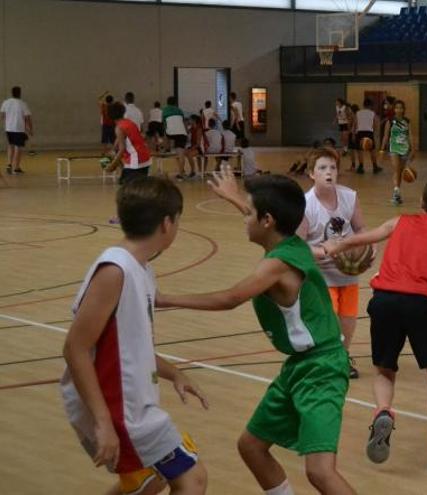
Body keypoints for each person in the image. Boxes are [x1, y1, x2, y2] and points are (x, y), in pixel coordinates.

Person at [159, 170, 356, 495]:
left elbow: (230, 298)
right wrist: (235, 197)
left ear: (266, 220)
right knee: (251, 446)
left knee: (320, 472)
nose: (243, 217)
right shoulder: (293, 242)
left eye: (248, 213)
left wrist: (162, 298)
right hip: (300, 367)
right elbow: (267, 220)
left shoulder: (275, 266)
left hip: (322, 370)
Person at [323, 176, 427, 472]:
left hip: (384, 300)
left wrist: (337, 245)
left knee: (385, 370)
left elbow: (366, 237)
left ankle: (383, 411)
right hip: (421, 306)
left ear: (422, 201)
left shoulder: (400, 222)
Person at [61, 177, 208, 495]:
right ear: (167, 224)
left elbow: (130, 346)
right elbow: (75, 348)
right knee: (192, 477)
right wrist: (103, 422)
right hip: (119, 409)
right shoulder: (115, 270)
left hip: (131, 402)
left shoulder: (141, 269)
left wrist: (174, 373)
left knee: (148, 481)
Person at [296, 148, 367, 379]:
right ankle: (324, 360)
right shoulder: (306, 205)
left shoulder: (350, 197)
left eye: (333, 168)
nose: (329, 172)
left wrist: (367, 249)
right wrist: (324, 250)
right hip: (320, 273)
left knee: (348, 318)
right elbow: (297, 244)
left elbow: (361, 229)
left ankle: (342, 357)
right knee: (330, 320)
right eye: (322, 168)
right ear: (311, 174)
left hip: (347, 270)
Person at [104, 102, 152, 185]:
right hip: (144, 157)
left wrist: (112, 165)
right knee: (133, 186)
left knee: (130, 189)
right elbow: (120, 139)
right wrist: (114, 149)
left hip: (136, 160)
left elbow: (122, 149)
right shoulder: (128, 122)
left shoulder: (119, 128)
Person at [379, 100, 414, 206]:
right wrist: (381, 149)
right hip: (393, 148)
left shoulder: (407, 121)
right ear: (394, 109)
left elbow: (410, 135)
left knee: (400, 171)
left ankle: (397, 192)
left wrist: (413, 149)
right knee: (396, 169)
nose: (399, 109)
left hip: (405, 148)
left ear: (403, 109)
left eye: (401, 107)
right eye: (397, 107)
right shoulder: (390, 121)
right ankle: (395, 192)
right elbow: (385, 135)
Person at [1, 86, 33, 175]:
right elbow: (27, 118)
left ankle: (9, 164)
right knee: (17, 148)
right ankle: (16, 168)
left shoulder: (6, 102)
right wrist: (30, 129)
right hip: (18, 129)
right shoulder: (22, 104)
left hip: (8, 128)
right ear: (19, 93)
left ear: (12, 93)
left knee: (10, 146)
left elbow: (2, 116)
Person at [162, 97, 190, 179]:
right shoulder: (180, 110)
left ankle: (166, 148)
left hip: (170, 133)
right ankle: (181, 174)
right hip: (182, 134)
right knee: (181, 155)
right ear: (175, 103)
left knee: (166, 133)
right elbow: (184, 122)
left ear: (167, 103)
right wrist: (187, 133)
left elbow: (164, 124)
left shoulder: (165, 110)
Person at [354, 98, 382, 174]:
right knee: (372, 150)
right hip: (369, 133)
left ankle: (360, 167)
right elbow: (376, 123)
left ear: (363, 105)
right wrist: (376, 133)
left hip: (359, 133)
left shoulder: (358, 113)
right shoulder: (372, 113)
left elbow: (355, 124)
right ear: (370, 105)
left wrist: (354, 133)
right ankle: (375, 167)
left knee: (359, 151)